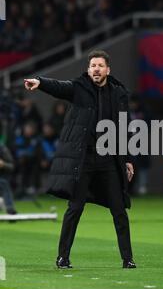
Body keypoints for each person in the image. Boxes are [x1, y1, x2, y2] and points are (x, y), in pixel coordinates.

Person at [24, 50, 136, 269]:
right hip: (84, 160)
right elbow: (59, 86)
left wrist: (128, 159)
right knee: (75, 209)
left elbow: (125, 128)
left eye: (100, 65)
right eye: (93, 65)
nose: (96, 69)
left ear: (108, 70)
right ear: (88, 69)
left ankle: (128, 259)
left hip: (109, 160)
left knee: (119, 210)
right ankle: (62, 257)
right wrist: (40, 82)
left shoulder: (119, 93)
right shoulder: (79, 88)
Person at [0, 142, 17, 215]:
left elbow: (12, 166)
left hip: (3, 176)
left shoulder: (3, 150)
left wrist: (3, 164)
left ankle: (10, 209)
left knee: (3, 182)